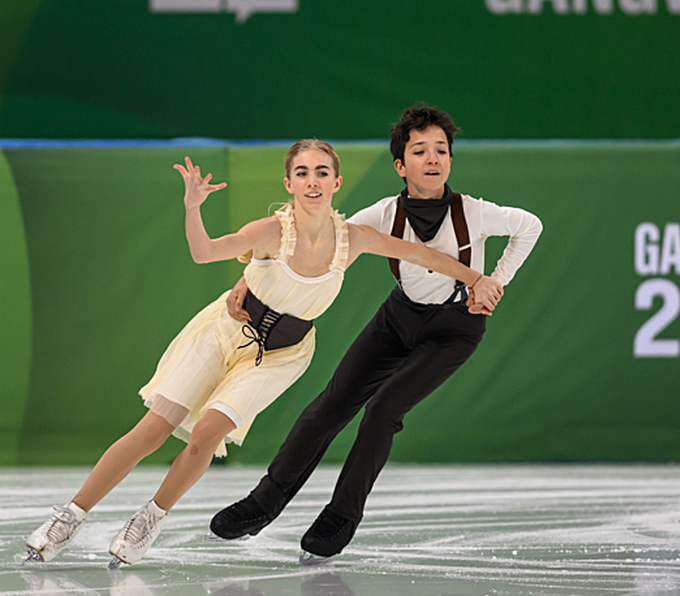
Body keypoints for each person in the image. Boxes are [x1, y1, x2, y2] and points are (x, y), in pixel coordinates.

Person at [24, 139, 501, 567]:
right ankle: (70, 516)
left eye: (320, 173)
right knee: (154, 427)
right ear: (288, 182)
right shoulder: (270, 231)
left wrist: (477, 279)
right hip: (224, 331)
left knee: (206, 433)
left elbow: (423, 256)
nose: (311, 182)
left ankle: (149, 517)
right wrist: (193, 208)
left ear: (336, 181)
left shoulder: (354, 238)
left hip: (282, 355)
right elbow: (204, 252)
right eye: (301, 173)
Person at [209, 104, 543, 563]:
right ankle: (265, 501)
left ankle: (341, 515)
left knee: (384, 408)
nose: (433, 159)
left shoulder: (477, 212)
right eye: (420, 150)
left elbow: (530, 226)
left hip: (454, 330)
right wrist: (249, 279)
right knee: (330, 405)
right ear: (400, 166)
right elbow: (314, 242)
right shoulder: (382, 214)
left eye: (441, 150)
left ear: (450, 160)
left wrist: (494, 282)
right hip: (398, 318)